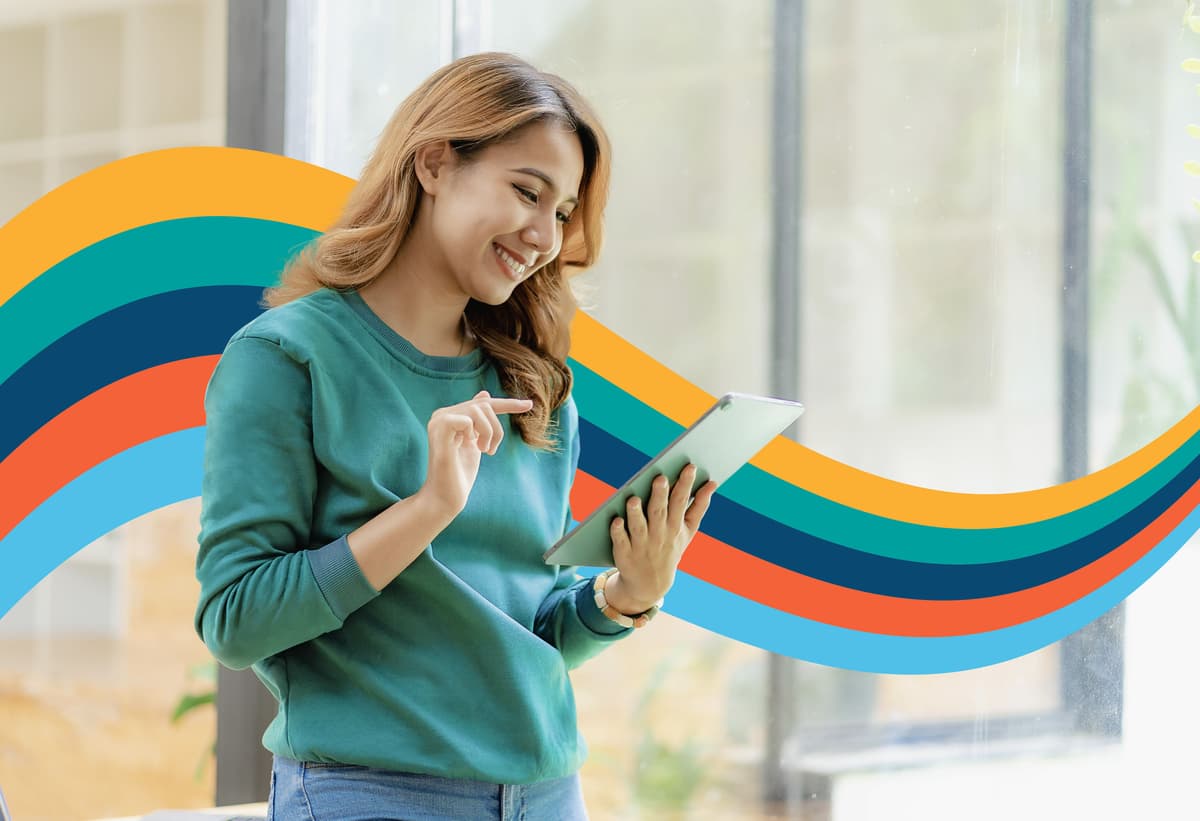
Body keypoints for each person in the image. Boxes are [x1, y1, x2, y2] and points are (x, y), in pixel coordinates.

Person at [194, 52, 718, 821]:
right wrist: (428, 508)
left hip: (546, 794)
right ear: (436, 162)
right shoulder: (286, 358)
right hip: (370, 793)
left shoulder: (531, 384)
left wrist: (625, 595)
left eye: (564, 212)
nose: (544, 234)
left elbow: (523, 632)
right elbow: (234, 621)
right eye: (526, 192)